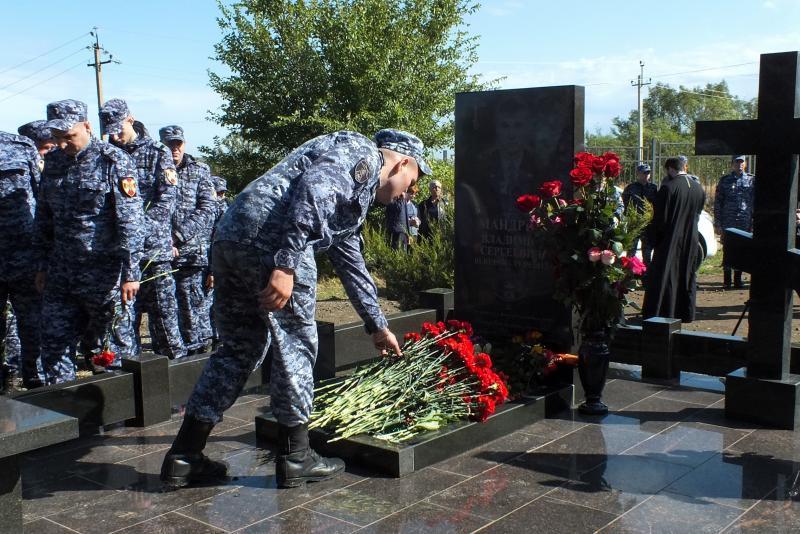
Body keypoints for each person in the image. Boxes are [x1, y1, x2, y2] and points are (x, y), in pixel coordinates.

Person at [159, 129, 431, 489]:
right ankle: (297, 456)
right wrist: (286, 264)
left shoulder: (355, 198)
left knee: (240, 349)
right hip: (273, 241)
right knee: (297, 345)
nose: (410, 193)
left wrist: (376, 326)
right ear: (403, 162)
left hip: (232, 238)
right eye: (413, 182)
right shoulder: (362, 152)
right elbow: (314, 190)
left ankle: (184, 455)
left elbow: (352, 264)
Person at [33, 99, 144, 384]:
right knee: (55, 344)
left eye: (68, 137)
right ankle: (64, 412)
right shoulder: (54, 162)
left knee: (112, 349)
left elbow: (130, 220)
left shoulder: (112, 160)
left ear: (86, 126)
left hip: (104, 274)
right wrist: (42, 266)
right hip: (61, 272)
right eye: (56, 138)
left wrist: (131, 273)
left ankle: (118, 420)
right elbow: (44, 218)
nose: (62, 144)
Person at [100, 99, 186, 359]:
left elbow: (166, 199)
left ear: (130, 119)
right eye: (110, 131)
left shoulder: (157, 152)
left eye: (119, 129)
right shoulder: (105, 155)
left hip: (153, 253)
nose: (115, 135)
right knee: (123, 327)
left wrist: (137, 228)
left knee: (165, 324)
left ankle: (177, 383)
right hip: (119, 256)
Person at [159, 125, 216, 355]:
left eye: (177, 144)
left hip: (190, 254)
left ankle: (198, 354)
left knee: (191, 311)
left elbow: (207, 208)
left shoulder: (199, 170)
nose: (174, 149)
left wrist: (178, 236)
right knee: (165, 314)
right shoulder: (154, 168)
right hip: (160, 254)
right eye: (169, 144)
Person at [0, 130, 44, 391]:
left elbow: (43, 193)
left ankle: (34, 378)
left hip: (24, 254)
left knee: (31, 320)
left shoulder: (19, 145)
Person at [642, 156, 706, 323]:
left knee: (664, 275)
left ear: (670, 169)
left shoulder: (668, 188)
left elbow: (660, 219)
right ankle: (685, 312)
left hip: (670, 239)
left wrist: (653, 238)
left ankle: (661, 312)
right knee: (686, 273)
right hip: (690, 238)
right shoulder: (699, 188)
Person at [714, 155, 755, 289]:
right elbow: (718, 202)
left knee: (741, 250)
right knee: (727, 250)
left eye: (741, 162)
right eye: (737, 162)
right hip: (728, 222)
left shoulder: (751, 180)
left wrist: (753, 222)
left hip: (744, 221)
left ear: (745, 164)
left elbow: (755, 202)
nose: (739, 165)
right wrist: (718, 223)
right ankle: (727, 280)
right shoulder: (725, 180)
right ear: (732, 164)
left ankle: (738, 280)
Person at [622, 163, 658, 266]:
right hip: (635, 222)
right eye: (644, 173)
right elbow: (625, 202)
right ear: (638, 174)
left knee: (647, 251)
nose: (646, 175)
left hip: (647, 223)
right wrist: (630, 216)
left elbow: (655, 204)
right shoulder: (630, 188)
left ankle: (646, 274)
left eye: (648, 173)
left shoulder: (653, 188)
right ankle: (629, 273)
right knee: (631, 249)